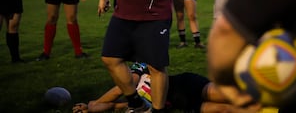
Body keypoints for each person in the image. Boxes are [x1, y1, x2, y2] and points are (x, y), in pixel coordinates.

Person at [72, 62, 261, 113]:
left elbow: (120, 89)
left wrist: (94, 103)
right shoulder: (135, 102)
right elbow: (114, 106)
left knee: (227, 95)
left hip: (186, 86)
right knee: (225, 109)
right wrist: (90, 110)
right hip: (184, 104)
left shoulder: (138, 70)